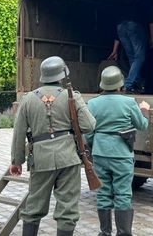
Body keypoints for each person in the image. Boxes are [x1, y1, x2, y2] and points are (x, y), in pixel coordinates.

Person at [9, 56, 96, 236]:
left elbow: (18, 133)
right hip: (68, 158)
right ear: (62, 75)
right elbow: (89, 125)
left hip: (41, 159)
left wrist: (16, 161)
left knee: (33, 208)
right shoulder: (72, 96)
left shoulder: (28, 99)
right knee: (68, 210)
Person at [85, 66, 150, 236]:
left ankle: (105, 232)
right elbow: (142, 125)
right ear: (120, 84)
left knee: (103, 193)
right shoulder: (128, 102)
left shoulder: (92, 103)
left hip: (99, 154)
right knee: (122, 194)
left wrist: (96, 146)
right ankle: (123, 233)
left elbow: (88, 133)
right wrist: (144, 110)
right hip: (121, 155)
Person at [108, 18, 153, 93]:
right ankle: (127, 85)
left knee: (132, 58)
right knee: (139, 58)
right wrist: (152, 38)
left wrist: (115, 50)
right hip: (135, 24)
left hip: (120, 27)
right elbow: (151, 19)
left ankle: (139, 83)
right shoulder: (140, 6)